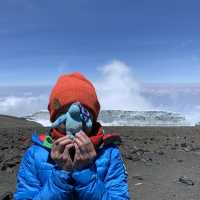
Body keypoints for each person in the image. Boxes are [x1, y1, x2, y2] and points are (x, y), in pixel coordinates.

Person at [14, 72, 130, 200]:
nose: (75, 120)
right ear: (54, 117)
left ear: (93, 117)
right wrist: (60, 175)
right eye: (64, 112)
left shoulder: (109, 153)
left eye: (84, 112)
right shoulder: (35, 154)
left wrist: (85, 174)